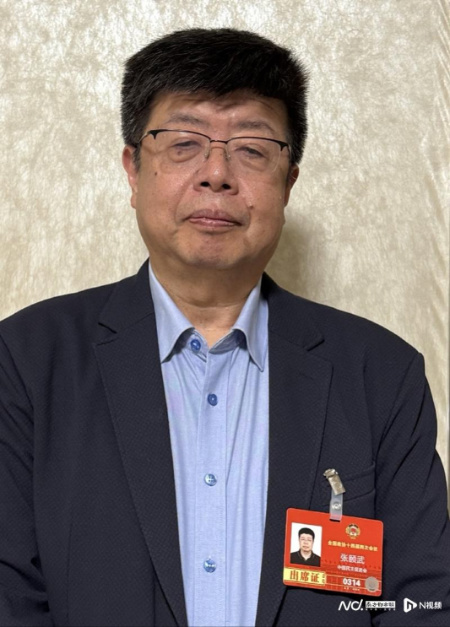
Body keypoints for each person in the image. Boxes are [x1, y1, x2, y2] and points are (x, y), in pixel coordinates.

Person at [0, 27, 449, 627]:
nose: (217, 173)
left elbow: (421, 601)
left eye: (252, 149)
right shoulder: (27, 361)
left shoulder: (381, 374)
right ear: (133, 170)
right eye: (183, 143)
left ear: (289, 182)